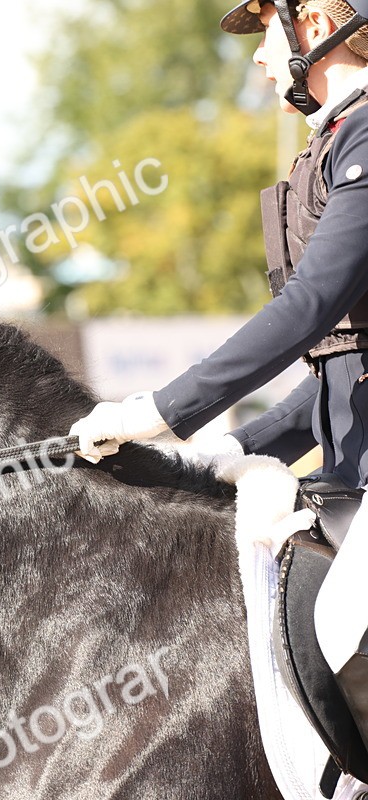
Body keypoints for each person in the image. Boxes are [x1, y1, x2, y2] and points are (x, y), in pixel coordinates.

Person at [69, 0, 368, 759]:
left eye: (266, 32)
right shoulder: (335, 141)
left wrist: (160, 411)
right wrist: (232, 450)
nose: (260, 57)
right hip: (352, 472)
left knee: (347, 629)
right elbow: (345, 368)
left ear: (316, 24)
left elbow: (311, 307)